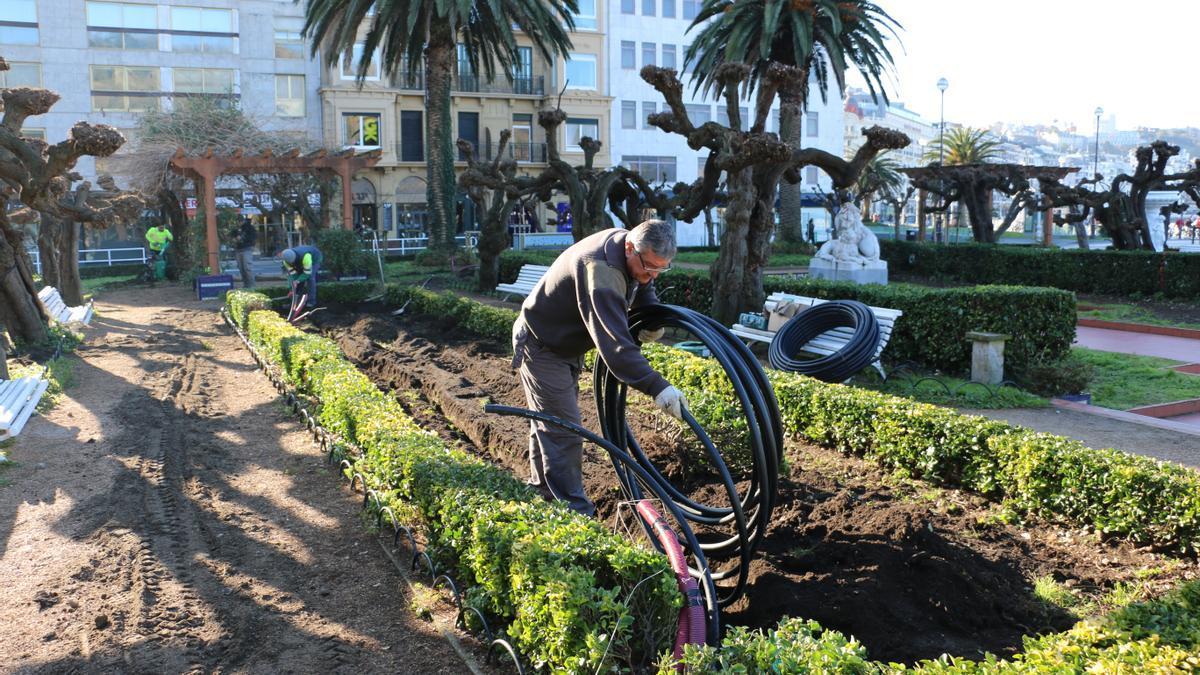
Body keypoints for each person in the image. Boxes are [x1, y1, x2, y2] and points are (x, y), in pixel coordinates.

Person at [512, 219, 686, 516]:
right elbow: (615, 348)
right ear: (630, 248)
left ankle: (543, 493)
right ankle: (575, 515)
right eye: (649, 266)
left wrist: (650, 317)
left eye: (661, 268)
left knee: (550, 422)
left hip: (564, 343)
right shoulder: (602, 270)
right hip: (543, 346)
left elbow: (642, 286)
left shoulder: (629, 250)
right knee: (564, 429)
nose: (652, 276)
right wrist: (658, 387)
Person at [235, 217, 257, 288]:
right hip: (239, 249)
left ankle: (251, 285)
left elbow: (253, 237)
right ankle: (246, 284)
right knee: (241, 268)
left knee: (247, 268)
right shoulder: (237, 229)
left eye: (239, 221)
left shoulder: (250, 228)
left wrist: (243, 239)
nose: (239, 223)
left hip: (247, 248)